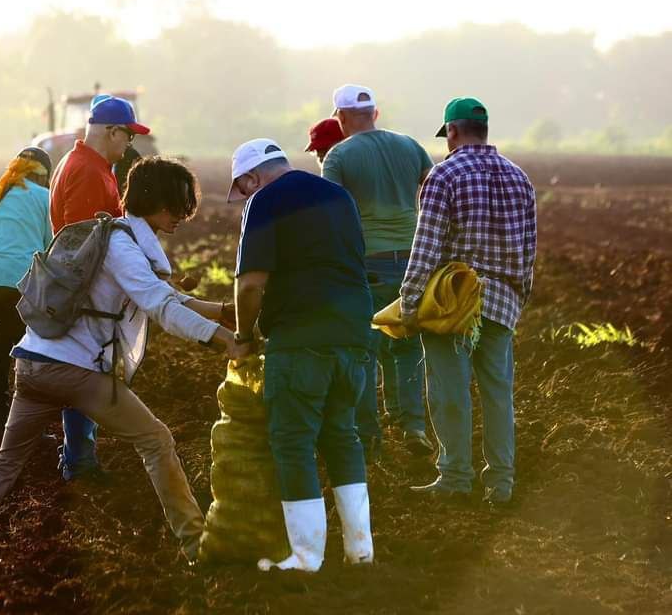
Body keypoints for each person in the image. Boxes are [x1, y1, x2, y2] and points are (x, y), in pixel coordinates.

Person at [0, 157, 238, 577]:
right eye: (177, 208)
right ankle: (197, 545)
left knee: (5, 463)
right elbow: (159, 305)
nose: (180, 218)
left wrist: (220, 313)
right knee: (156, 440)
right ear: (157, 202)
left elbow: (160, 292)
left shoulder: (108, 238)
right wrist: (223, 341)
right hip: (75, 372)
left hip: (31, 365)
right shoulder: (123, 247)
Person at [229, 138, 374, 572]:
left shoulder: (265, 201)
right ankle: (360, 552)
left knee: (293, 441)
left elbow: (250, 284)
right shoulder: (339, 195)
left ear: (253, 177)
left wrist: (242, 334)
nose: (245, 197)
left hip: (301, 338)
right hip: (353, 335)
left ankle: (307, 558)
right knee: (342, 436)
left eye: (244, 187)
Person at [402, 97, 536, 509]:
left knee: (450, 391)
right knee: (498, 393)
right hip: (503, 300)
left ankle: (456, 477)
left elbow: (427, 245)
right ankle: (501, 483)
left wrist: (409, 300)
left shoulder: (444, 175)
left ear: (453, 132)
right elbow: (529, 249)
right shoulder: (519, 177)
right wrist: (517, 297)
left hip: (453, 302)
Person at [321, 84, 435, 460]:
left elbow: (331, 212)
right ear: (375, 113)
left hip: (368, 262)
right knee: (406, 346)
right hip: (414, 259)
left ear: (341, 117)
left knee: (364, 351)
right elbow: (433, 189)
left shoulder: (338, 155)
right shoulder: (410, 146)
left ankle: (369, 437)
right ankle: (414, 426)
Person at [48, 95, 146, 481]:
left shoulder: (84, 164)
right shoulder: (90, 172)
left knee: (85, 372)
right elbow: (86, 246)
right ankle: (79, 461)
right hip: (86, 293)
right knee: (86, 373)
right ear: (111, 131)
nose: (130, 145)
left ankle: (76, 454)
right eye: (128, 136)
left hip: (80, 291)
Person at [0, 146, 54, 444]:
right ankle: (28, 431)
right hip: (21, 280)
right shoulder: (45, 198)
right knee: (29, 353)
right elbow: (49, 248)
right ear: (44, 176)